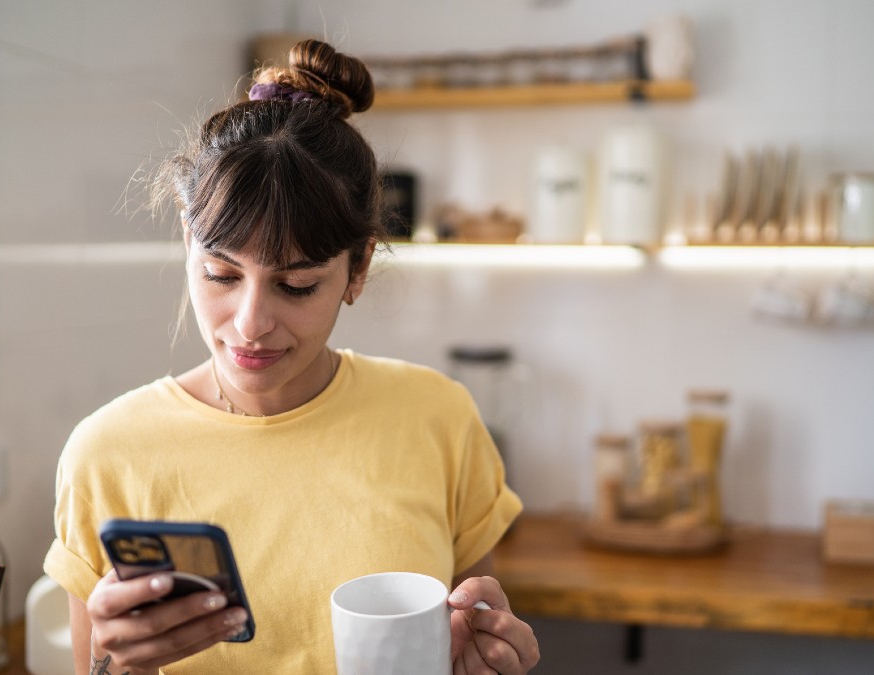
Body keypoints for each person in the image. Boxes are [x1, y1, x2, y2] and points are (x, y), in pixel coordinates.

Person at [43, 39, 540, 674]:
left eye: (296, 285)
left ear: (358, 269)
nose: (250, 325)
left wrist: (491, 660)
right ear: (186, 239)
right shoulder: (106, 453)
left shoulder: (438, 418)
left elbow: (463, 641)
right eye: (221, 275)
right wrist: (116, 668)